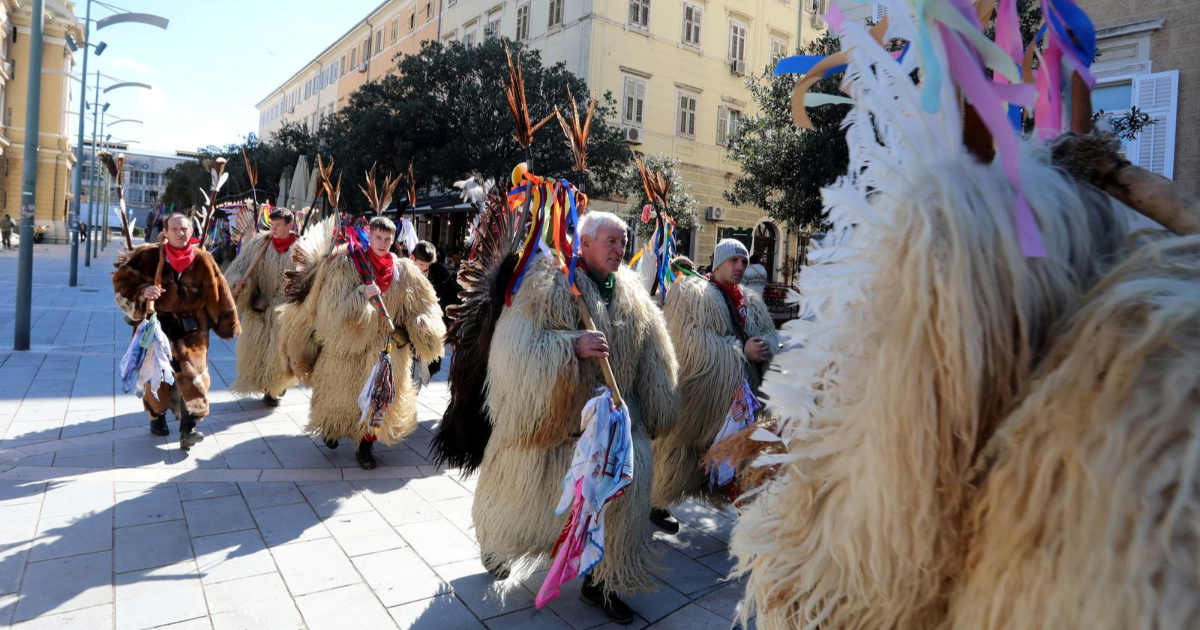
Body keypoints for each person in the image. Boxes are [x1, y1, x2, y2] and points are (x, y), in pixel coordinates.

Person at [472, 211, 679, 624]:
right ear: (583, 243)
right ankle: (499, 546)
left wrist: (657, 409)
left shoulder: (634, 294)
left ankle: (603, 581)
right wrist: (572, 345)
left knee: (620, 509)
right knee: (531, 504)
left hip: (618, 425)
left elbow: (656, 355)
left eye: (623, 242)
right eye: (611, 241)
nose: (620, 250)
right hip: (561, 426)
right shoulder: (550, 284)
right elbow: (518, 349)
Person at [281, 216, 445, 470]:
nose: (382, 243)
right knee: (340, 398)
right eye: (378, 237)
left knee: (379, 403)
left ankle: (365, 447)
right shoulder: (348, 265)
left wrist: (422, 322)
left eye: (387, 239)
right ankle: (332, 428)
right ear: (370, 235)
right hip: (348, 349)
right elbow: (331, 308)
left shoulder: (405, 272)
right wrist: (361, 296)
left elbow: (426, 306)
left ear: (393, 240)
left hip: (387, 351)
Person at [650, 238, 779, 531]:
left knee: (741, 455)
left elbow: (769, 334)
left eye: (744, 262)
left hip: (742, 398)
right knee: (679, 456)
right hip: (701, 399)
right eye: (734, 260)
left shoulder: (751, 302)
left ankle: (751, 519)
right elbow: (689, 343)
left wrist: (766, 348)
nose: (740, 267)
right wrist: (740, 351)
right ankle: (655, 503)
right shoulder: (692, 294)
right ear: (719, 262)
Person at [112, 213, 240, 449]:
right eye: (175, 229)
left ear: (191, 232)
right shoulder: (148, 256)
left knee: (195, 375)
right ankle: (156, 414)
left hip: (192, 328)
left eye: (185, 229)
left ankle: (188, 428)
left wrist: (227, 322)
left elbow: (219, 293)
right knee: (155, 378)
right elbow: (122, 282)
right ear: (166, 232)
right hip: (155, 327)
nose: (181, 233)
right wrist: (143, 292)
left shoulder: (204, 260)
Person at [223, 208, 300, 407]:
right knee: (257, 350)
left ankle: (276, 388)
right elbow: (238, 268)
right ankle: (265, 384)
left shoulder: (301, 248)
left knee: (279, 352)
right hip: (259, 306)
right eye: (271, 225)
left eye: (278, 226)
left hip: (286, 309)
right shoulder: (258, 245)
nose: (273, 229)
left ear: (289, 226)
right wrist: (238, 283)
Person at [411, 241, 461, 377]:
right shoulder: (405, 271)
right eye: (421, 264)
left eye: (427, 265)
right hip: (408, 330)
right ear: (412, 258)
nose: (424, 268)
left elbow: (453, 294)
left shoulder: (438, 272)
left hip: (430, 331)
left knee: (422, 373)